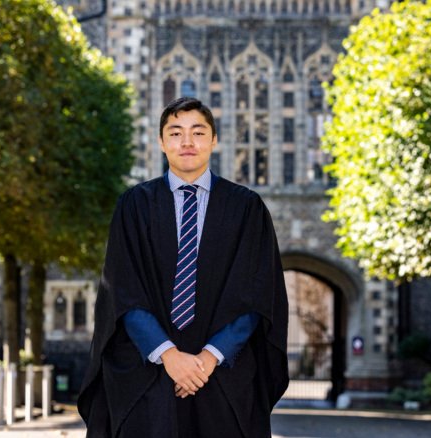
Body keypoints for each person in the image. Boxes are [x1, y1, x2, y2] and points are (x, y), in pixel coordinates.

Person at [78, 97, 289, 438]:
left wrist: (207, 360)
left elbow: (258, 293)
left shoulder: (246, 208)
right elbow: (123, 289)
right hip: (146, 373)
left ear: (214, 140)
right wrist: (169, 356)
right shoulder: (134, 206)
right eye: (175, 133)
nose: (187, 142)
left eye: (198, 132)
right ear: (161, 141)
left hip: (222, 376)